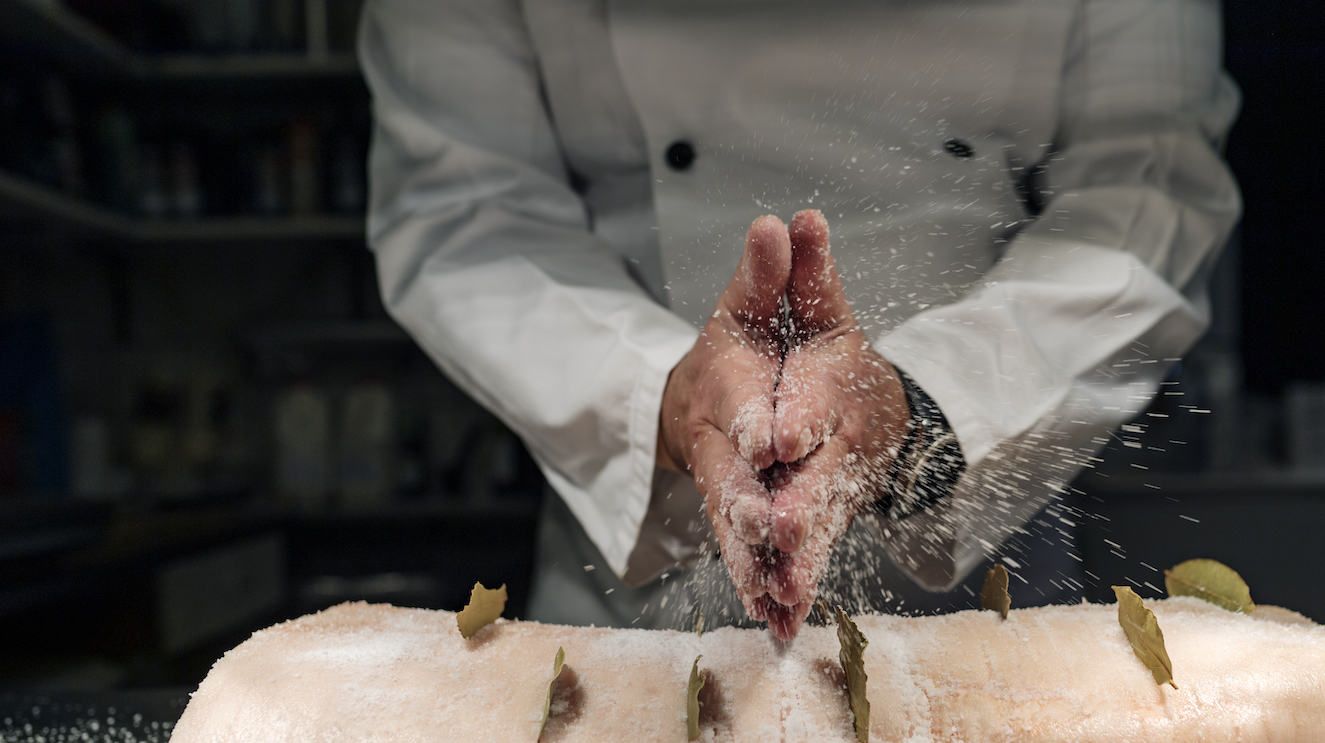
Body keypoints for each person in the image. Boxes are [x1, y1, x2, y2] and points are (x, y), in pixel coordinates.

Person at [360, 0, 1241, 639]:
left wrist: (923, 415)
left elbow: (1147, 184)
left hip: (987, 593)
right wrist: (675, 397)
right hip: (646, 604)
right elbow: (468, 213)